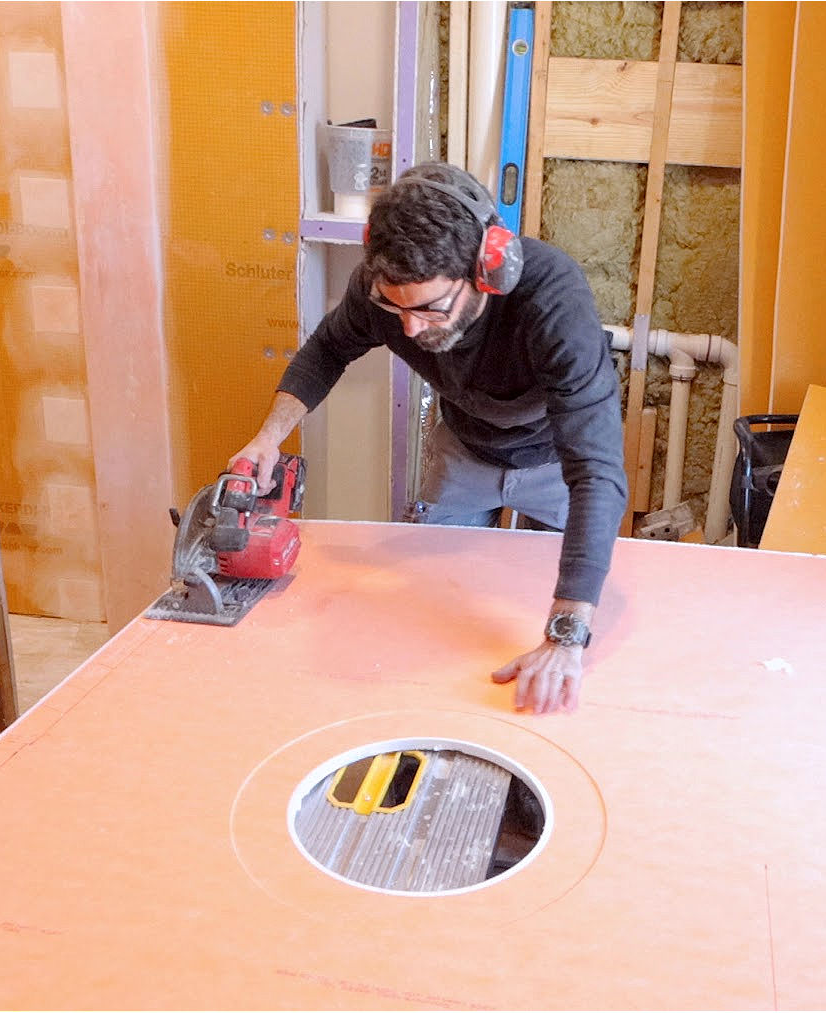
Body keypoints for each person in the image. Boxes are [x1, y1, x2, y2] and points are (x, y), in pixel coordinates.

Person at [231, 162, 626, 715]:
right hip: (463, 451)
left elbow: (597, 471)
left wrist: (565, 636)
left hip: (555, 464)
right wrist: (267, 439)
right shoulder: (385, 294)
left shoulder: (553, 302)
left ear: (490, 271)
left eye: (429, 308)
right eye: (396, 307)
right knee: (429, 601)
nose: (410, 328)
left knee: (545, 593)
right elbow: (326, 352)